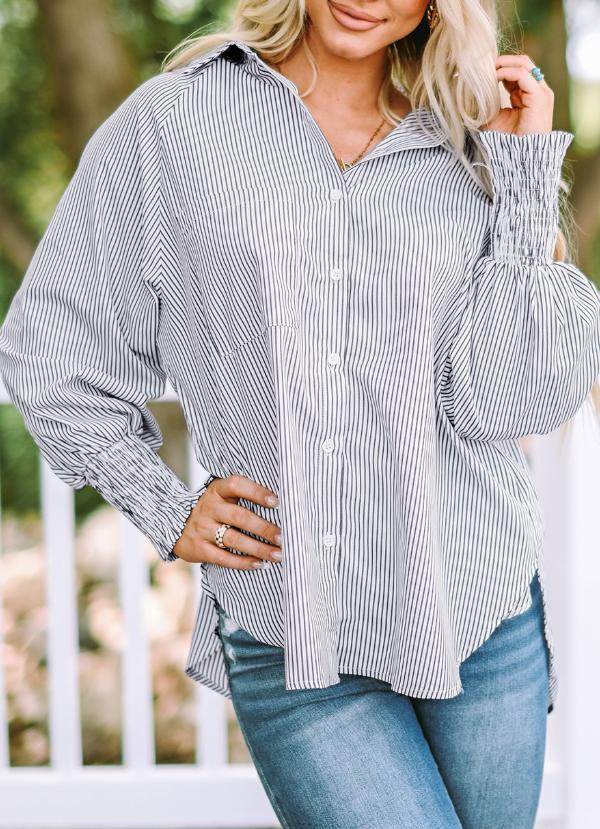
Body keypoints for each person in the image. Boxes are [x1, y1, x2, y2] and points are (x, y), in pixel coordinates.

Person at [1, 0, 599, 826]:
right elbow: (50, 345)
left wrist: (524, 176)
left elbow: (509, 399)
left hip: (478, 613)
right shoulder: (176, 122)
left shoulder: (472, 138)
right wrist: (164, 505)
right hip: (295, 629)